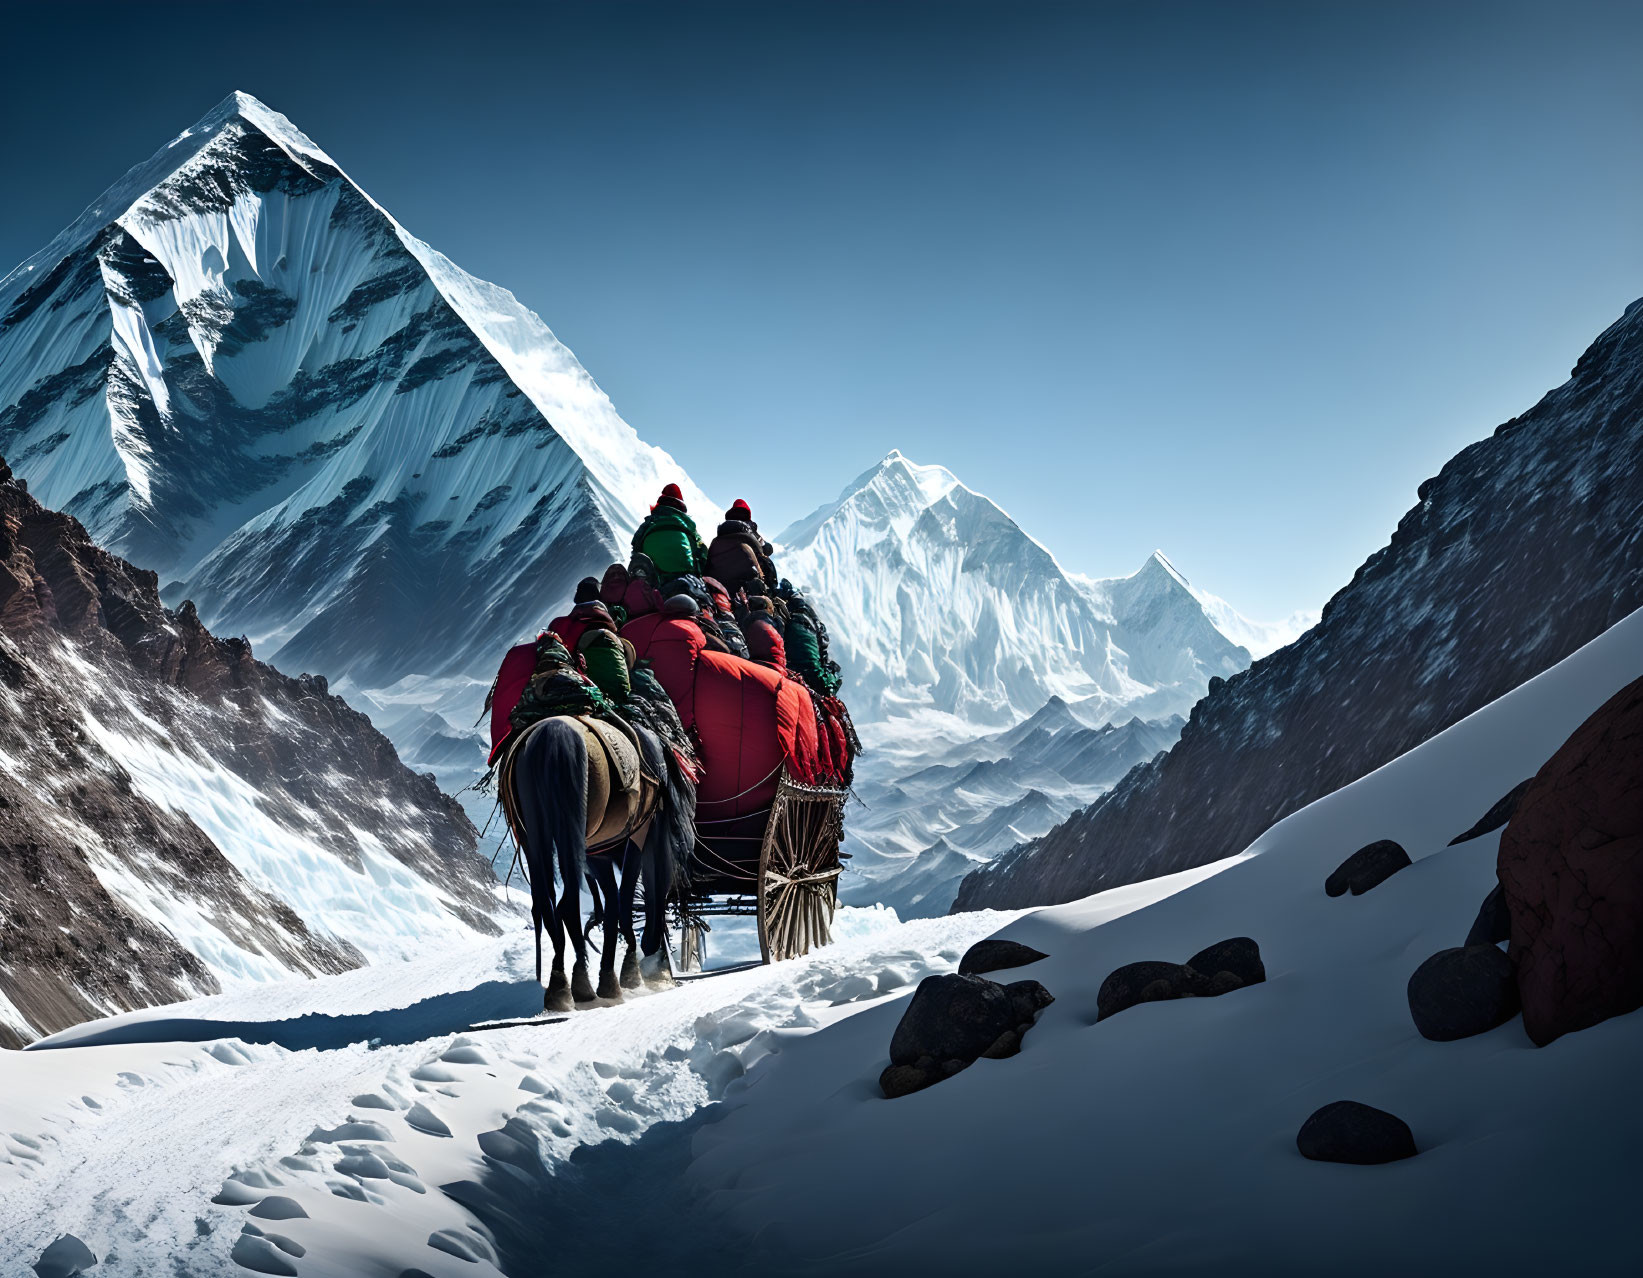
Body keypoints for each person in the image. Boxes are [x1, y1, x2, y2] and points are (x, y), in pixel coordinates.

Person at [631, 483, 708, 578]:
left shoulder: (648, 523)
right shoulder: (688, 526)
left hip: (652, 579)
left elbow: (635, 548)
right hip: (684, 579)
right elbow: (703, 552)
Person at [707, 498, 777, 592]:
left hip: (719, 579)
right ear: (748, 515)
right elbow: (767, 549)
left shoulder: (722, 534)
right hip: (747, 581)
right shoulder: (751, 531)